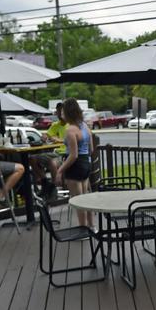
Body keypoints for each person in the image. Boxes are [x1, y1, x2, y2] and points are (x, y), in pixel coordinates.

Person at [56, 98, 94, 228]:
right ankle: (91, 226)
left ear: (67, 113)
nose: (61, 115)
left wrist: (60, 170)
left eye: (62, 112)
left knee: (78, 201)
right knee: (86, 199)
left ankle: (82, 228)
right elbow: (91, 149)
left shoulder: (70, 130)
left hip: (75, 166)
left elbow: (73, 155)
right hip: (86, 164)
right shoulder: (85, 127)